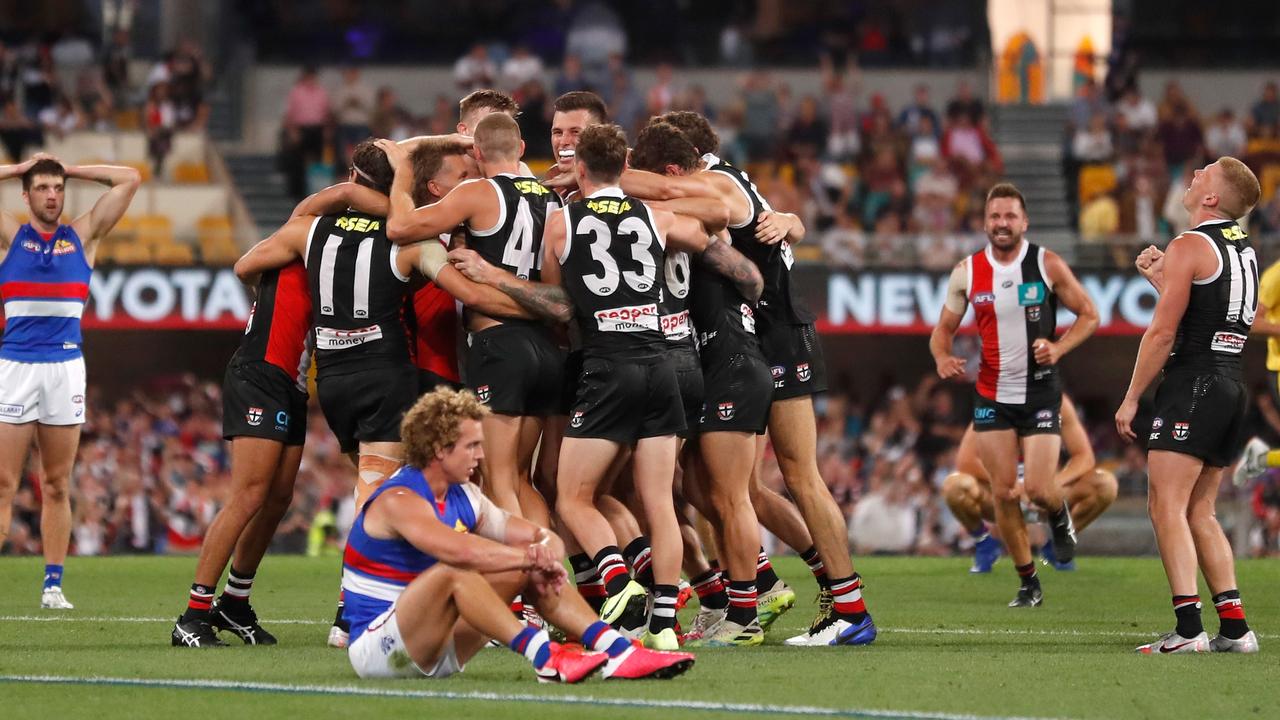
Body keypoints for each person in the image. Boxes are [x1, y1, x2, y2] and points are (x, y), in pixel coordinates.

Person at [615, 110, 873, 647]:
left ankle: (844, 606)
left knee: (796, 476)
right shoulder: (729, 178)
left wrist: (602, 173)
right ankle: (811, 586)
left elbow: (705, 202)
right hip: (762, 334)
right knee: (741, 486)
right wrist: (791, 218)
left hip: (773, 335)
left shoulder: (717, 182)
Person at [460, 124, 717, 650]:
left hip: (607, 364)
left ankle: (617, 580)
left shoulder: (561, 222)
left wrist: (488, 274)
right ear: (625, 165)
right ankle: (665, 626)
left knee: (571, 496)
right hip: (662, 363)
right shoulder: (658, 217)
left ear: (578, 167)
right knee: (660, 504)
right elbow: (708, 234)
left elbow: (557, 301)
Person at [343, 387, 694, 681]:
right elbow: (459, 552)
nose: (481, 456)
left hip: (437, 644)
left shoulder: (464, 496)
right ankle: (545, 657)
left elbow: (540, 536)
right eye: (471, 446)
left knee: (526, 568)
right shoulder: (399, 499)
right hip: (379, 652)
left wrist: (542, 553)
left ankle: (617, 652)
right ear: (439, 449)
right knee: (456, 573)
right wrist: (529, 555)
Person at [376, 113, 561, 531]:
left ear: (477, 153)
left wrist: (403, 175)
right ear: (522, 150)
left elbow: (400, 226)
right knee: (521, 478)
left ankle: (520, 583)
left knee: (498, 483)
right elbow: (555, 287)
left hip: (500, 346)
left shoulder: (479, 192)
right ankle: (545, 579)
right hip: (548, 348)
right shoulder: (553, 200)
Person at [931, 182, 1099, 608]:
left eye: (1009, 216)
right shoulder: (967, 272)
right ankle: (1028, 583)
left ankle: (1059, 518)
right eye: (994, 216)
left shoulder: (1047, 264)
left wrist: (1059, 347)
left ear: (1024, 221)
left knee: (1041, 489)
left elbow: (1089, 315)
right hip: (991, 395)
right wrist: (942, 358)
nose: (1002, 223)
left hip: (1041, 393)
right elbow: (942, 331)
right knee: (1005, 492)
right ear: (985, 222)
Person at [1118, 157, 1261, 654]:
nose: (1194, 174)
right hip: (1230, 383)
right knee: (1202, 509)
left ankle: (1187, 629)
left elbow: (1163, 333)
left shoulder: (1190, 245)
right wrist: (1162, 281)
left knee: (1167, 506)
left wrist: (1132, 396)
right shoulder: (1243, 249)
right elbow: (1210, 314)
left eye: (1204, 173)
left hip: (1193, 383)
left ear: (1212, 199)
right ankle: (1236, 628)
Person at [0, 154, 140, 609]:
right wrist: (23, 165)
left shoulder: (82, 236)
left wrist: (70, 169)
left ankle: (53, 586)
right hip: (16, 366)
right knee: (4, 483)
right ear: (26, 196)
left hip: (64, 368)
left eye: (57, 189)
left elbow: (130, 179)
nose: (52, 196)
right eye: (41, 188)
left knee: (57, 483)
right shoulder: (11, 237)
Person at [170, 246, 312, 646]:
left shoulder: (344, 253)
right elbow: (242, 265)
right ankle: (192, 615)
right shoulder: (306, 231)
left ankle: (234, 603)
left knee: (277, 499)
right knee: (247, 496)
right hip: (261, 373)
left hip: (293, 384)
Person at [942, 394, 1119, 573]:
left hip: (1044, 495)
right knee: (954, 486)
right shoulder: (994, 401)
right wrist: (1007, 483)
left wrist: (1052, 484)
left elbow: (1084, 456)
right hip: (1003, 494)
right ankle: (984, 543)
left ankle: (1059, 543)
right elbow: (966, 460)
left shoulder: (1057, 401)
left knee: (1105, 484)